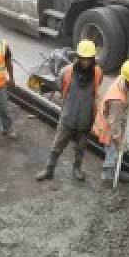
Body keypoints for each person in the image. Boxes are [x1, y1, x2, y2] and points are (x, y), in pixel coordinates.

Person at [37, 40, 102, 182]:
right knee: (57, 145)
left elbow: (95, 92)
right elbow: (60, 87)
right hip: (68, 117)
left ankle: (77, 169)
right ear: (78, 57)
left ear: (92, 59)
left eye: (88, 59)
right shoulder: (66, 72)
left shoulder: (97, 73)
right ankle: (49, 169)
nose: (85, 62)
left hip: (86, 119)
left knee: (81, 148)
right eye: (82, 58)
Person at [92, 59, 129, 188]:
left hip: (115, 118)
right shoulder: (116, 101)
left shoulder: (124, 79)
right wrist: (119, 142)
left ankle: (116, 171)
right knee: (113, 152)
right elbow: (114, 127)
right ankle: (107, 179)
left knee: (117, 150)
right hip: (109, 127)